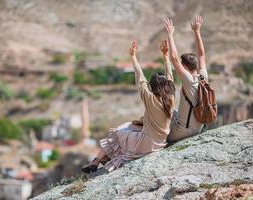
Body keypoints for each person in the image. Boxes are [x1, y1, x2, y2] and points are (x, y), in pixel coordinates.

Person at [81, 40, 175, 173]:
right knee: (126, 129)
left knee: (116, 133)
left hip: (146, 144)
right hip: (160, 143)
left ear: (153, 87)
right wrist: (166, 57)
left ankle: (97, 160)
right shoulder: (171, 98)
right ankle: (97, 160)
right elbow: (170, 77)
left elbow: (140, 78)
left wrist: (133, 57)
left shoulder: (150, 98)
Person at [163, 16, 209, 142]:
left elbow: (175, 59)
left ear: (184, 67)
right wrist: (197, 31)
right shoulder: (203, 76)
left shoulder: (189, 80)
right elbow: (202, 54)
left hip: (183, 132)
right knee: (171, 110)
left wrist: (170, 35)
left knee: (160, 119)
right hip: (198, 128)